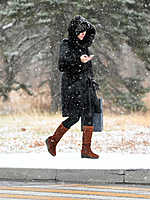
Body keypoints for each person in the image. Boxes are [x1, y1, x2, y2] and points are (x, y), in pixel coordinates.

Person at [45, 15, 100, 159]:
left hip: (86, 85)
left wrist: (92, 81)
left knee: (89, 115)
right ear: (74, 31)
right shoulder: (66, 44)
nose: (83, 34)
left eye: (84, 32)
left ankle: (86, 150)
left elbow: (88, 67)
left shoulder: (84, 46)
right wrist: (78, 60)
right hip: (73, 86)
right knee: (75, 117)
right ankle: (53, 140)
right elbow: (62, 65)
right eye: (80, 32)